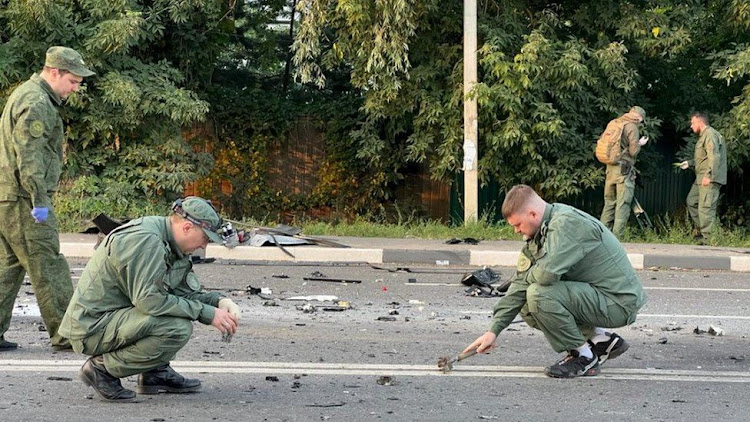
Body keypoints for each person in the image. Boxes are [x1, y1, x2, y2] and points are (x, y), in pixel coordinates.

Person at [59, 197, 241, 402]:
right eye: (205, 238)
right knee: (176, 328)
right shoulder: (147, 241)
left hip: (116, 318)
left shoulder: (172, 242)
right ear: (187, 227)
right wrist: (206, 313)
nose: (204, 245)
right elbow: (150, 301)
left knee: (175, 314)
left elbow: (181, 292)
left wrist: (219, 302)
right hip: (92, 327)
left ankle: (155, 373)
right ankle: (101, 369)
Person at [463, 185, 646, 378]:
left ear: (532, 214)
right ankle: (599, 340)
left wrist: (527, 277)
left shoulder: (567, 224)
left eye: (517, 225)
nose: (516, 231)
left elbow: (545, 276)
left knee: (538, 294)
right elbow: (519, 283)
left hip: (618, 302)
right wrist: (493, 331)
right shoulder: (541, 232)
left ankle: (583, 356)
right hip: (597, 296)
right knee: (526, 301)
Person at [0, 46, 95, 351]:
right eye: (73, 81)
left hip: (8, 197)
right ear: (55, 72)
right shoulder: (37, 102)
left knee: (9, 266)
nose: (75, 88)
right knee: (48, 265)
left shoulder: (26, 94)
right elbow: (30, 158)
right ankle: (68, 334)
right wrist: (39, 201)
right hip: (24, 200)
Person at [599, 106, 649, 238]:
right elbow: (633, 152)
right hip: (624, 170)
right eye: (641, 120)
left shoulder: (614, 123)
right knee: (623, 203)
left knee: (609, 202)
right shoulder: (632, 127)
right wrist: (639, 144)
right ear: (639, 117)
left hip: (610, 168)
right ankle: (617, 238)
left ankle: (603, 236)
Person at [678, 112, 727, 243]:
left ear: (700, 122)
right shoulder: (704, 136)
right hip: (700, 178)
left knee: (706, 208)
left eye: (693, 123)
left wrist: (709, 175)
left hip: (708, 178)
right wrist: (689, 163)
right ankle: (703, 232)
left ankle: (710, 240)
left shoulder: (710, 135)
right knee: (692, 201)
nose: (691, 126)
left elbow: (714, 157)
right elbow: (704, 158)